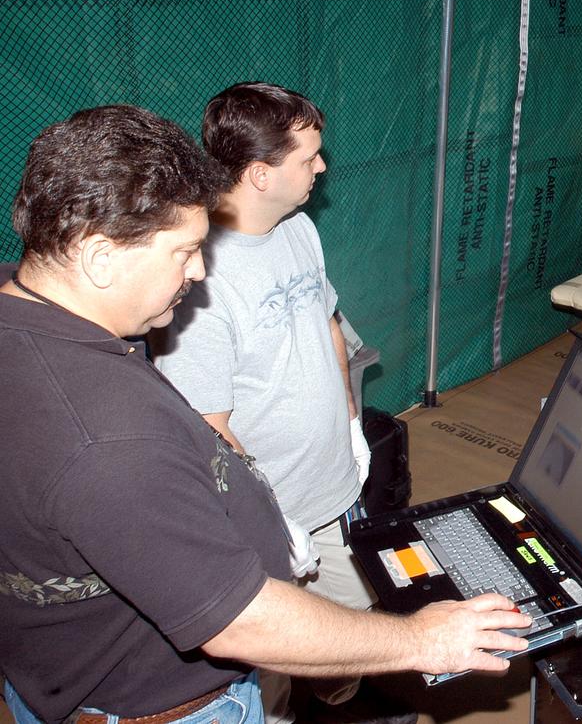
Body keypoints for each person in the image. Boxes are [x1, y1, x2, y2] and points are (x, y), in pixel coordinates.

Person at [0, 105, 529, 724]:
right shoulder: (107, 439)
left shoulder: (31, 323)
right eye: (184, 251)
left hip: (61, 671)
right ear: (100, 257)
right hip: (169, 707)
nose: (198, 271)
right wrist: (424, 639)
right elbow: (237, 620)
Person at [148, 82, 405, 721]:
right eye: (308, 157)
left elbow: (327, 323)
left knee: (354, 632)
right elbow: (207, 429)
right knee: (269, 678)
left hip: (333, 489)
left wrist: (350, 423)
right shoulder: (196, 276)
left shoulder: (298, 232)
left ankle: (337, 693)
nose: (322, 167)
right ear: (261, 173)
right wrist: (271, 521)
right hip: (272, 522)